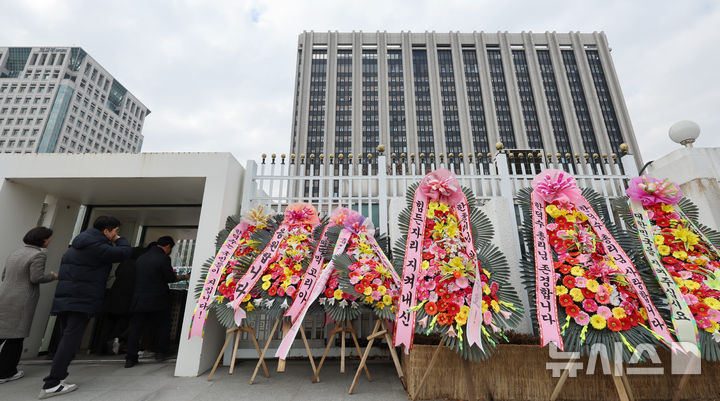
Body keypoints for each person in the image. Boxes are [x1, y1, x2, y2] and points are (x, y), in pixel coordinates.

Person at [40, 216, 131, 399]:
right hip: (81, 300)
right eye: (115, 231)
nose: (116, 235)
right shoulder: (96, 246)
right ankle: (52, 382)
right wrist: (119, 241)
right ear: (106, 231)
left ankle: (57, 378)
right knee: (70, 340)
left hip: (68, 299)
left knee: (66, 338)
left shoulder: (78, 245)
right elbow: (124, 253)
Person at [0, 227, 57, 384]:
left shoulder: (15, 253)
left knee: (2, 333)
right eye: (49, 238)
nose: (50, 240)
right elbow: (36, 277)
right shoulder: (38, 255)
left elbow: (4, 275)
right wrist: (53, 276)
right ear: (43, 239)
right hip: (22, 300)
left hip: (5, 296)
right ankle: (6, 372)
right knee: (16, 338)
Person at [125, 236, 189, 368]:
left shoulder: (142, 258)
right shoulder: (163, 258)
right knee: (163, 325)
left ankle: (130, 357)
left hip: (139, 298)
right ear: (167, 247)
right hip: (158, 298)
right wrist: (184, 277)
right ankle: (161, 352)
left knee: (136, 328)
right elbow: (169, 278)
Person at [95, 246, 147, 355]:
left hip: (113, 297)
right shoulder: (140, 266)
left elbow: (118, 274)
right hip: (127, 299)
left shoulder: (124, 263)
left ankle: (100, 348)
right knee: (121, 325)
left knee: (107, 325)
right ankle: (115, 345)